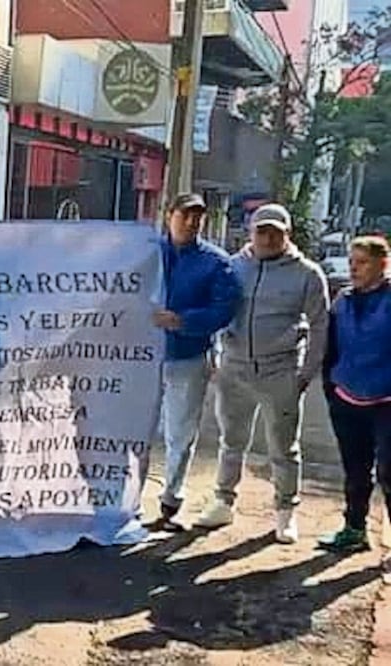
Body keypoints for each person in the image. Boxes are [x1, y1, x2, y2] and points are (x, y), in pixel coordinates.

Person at [195, 203, 329, 543]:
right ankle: (223, 501)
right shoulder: (232, 267)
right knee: (231, 440)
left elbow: (320, 327)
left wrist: (305, 374)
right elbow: (215, 309)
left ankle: (285, 512)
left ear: (288, 235)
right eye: (261, 231)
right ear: (250, 233)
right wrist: (213, 351)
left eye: (275, 232)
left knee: (283, 448)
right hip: (235, 367)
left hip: (280, 370)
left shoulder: (308, 274)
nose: (268, 238)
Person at [148, 193, 242, 532]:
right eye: (185, 214)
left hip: (187, 356)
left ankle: (170, 501)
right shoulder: (147, 253)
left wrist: (183, 321)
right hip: (141, 359)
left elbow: (224, 309)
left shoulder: (216, 262)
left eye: (197, 217)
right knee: (135, 429)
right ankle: (125, 499)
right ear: (168, 214)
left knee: (179, 433)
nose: (191, 222)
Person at [317, 236, 391, 553]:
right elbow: (331, 348)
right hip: (347, 397)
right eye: (352, 262)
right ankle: (354, 529)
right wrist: (331, 388)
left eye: (362, 262)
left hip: (387, 401)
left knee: (390, 471)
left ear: (382, 265)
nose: (354, 268)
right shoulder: (342, 301)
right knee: (355, 469)